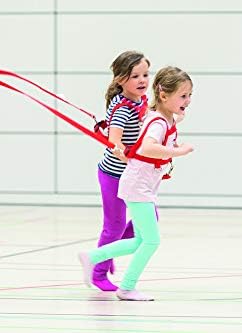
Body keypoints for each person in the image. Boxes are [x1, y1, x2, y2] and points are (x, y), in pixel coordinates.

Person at [79, 66, 194, 301]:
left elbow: (171, 120)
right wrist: (178, 151)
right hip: (138, 186)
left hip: (141, 185)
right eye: (183, 96)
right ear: (164, 96)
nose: (188, 100)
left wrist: (178, 114)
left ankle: (92, 257)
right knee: (151, 241)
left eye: (190, 95)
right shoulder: (158, 123)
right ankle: (127, 287)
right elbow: (148, 147)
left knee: (139, 241)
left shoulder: (163, 116)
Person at [93, 51, 151, 291]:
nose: (142, 80)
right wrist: (125, 153)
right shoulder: (122, 109)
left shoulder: (141, 101)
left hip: (134, 176)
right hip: (114, 175)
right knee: (114, 227)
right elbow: (114, 141)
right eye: (134, 76)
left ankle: (110, 248)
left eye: (145, 74)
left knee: (149, 222)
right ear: (120, 80)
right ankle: (97, 272)